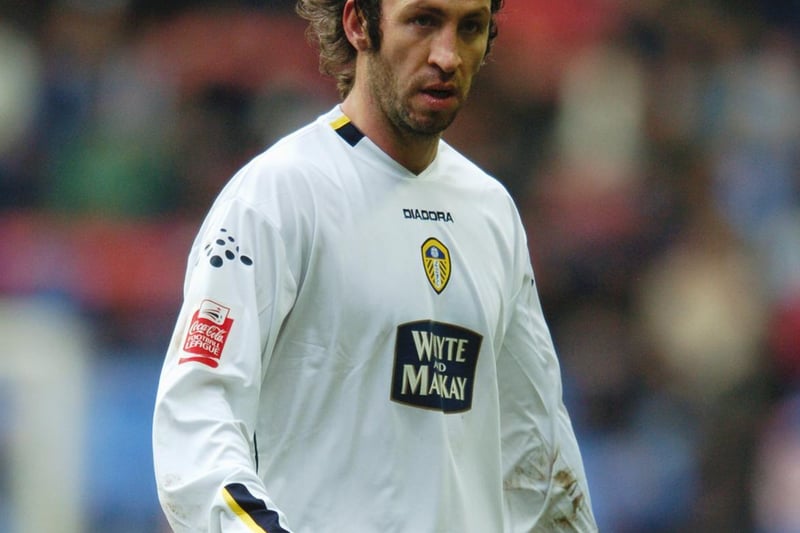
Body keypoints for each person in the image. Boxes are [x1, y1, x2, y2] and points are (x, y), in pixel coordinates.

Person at [152, 0, 597, 531]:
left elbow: (538, 452)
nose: (447, 56)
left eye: (471, 28)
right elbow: (195, 413)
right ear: (359, 23)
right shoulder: (276, 196)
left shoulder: (491, 211)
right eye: (423, 21)